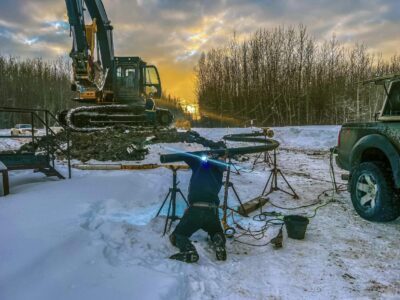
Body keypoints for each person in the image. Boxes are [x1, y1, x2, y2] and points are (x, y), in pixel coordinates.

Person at [169, 153, 227, 263]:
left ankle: (189, 250)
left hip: (196, 209)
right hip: (212, 211)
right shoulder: (219, 171)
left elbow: (186, 156)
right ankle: (218, 241)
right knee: (216, 231)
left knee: (178, 235)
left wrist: (200, 154)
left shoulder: (200, 164)